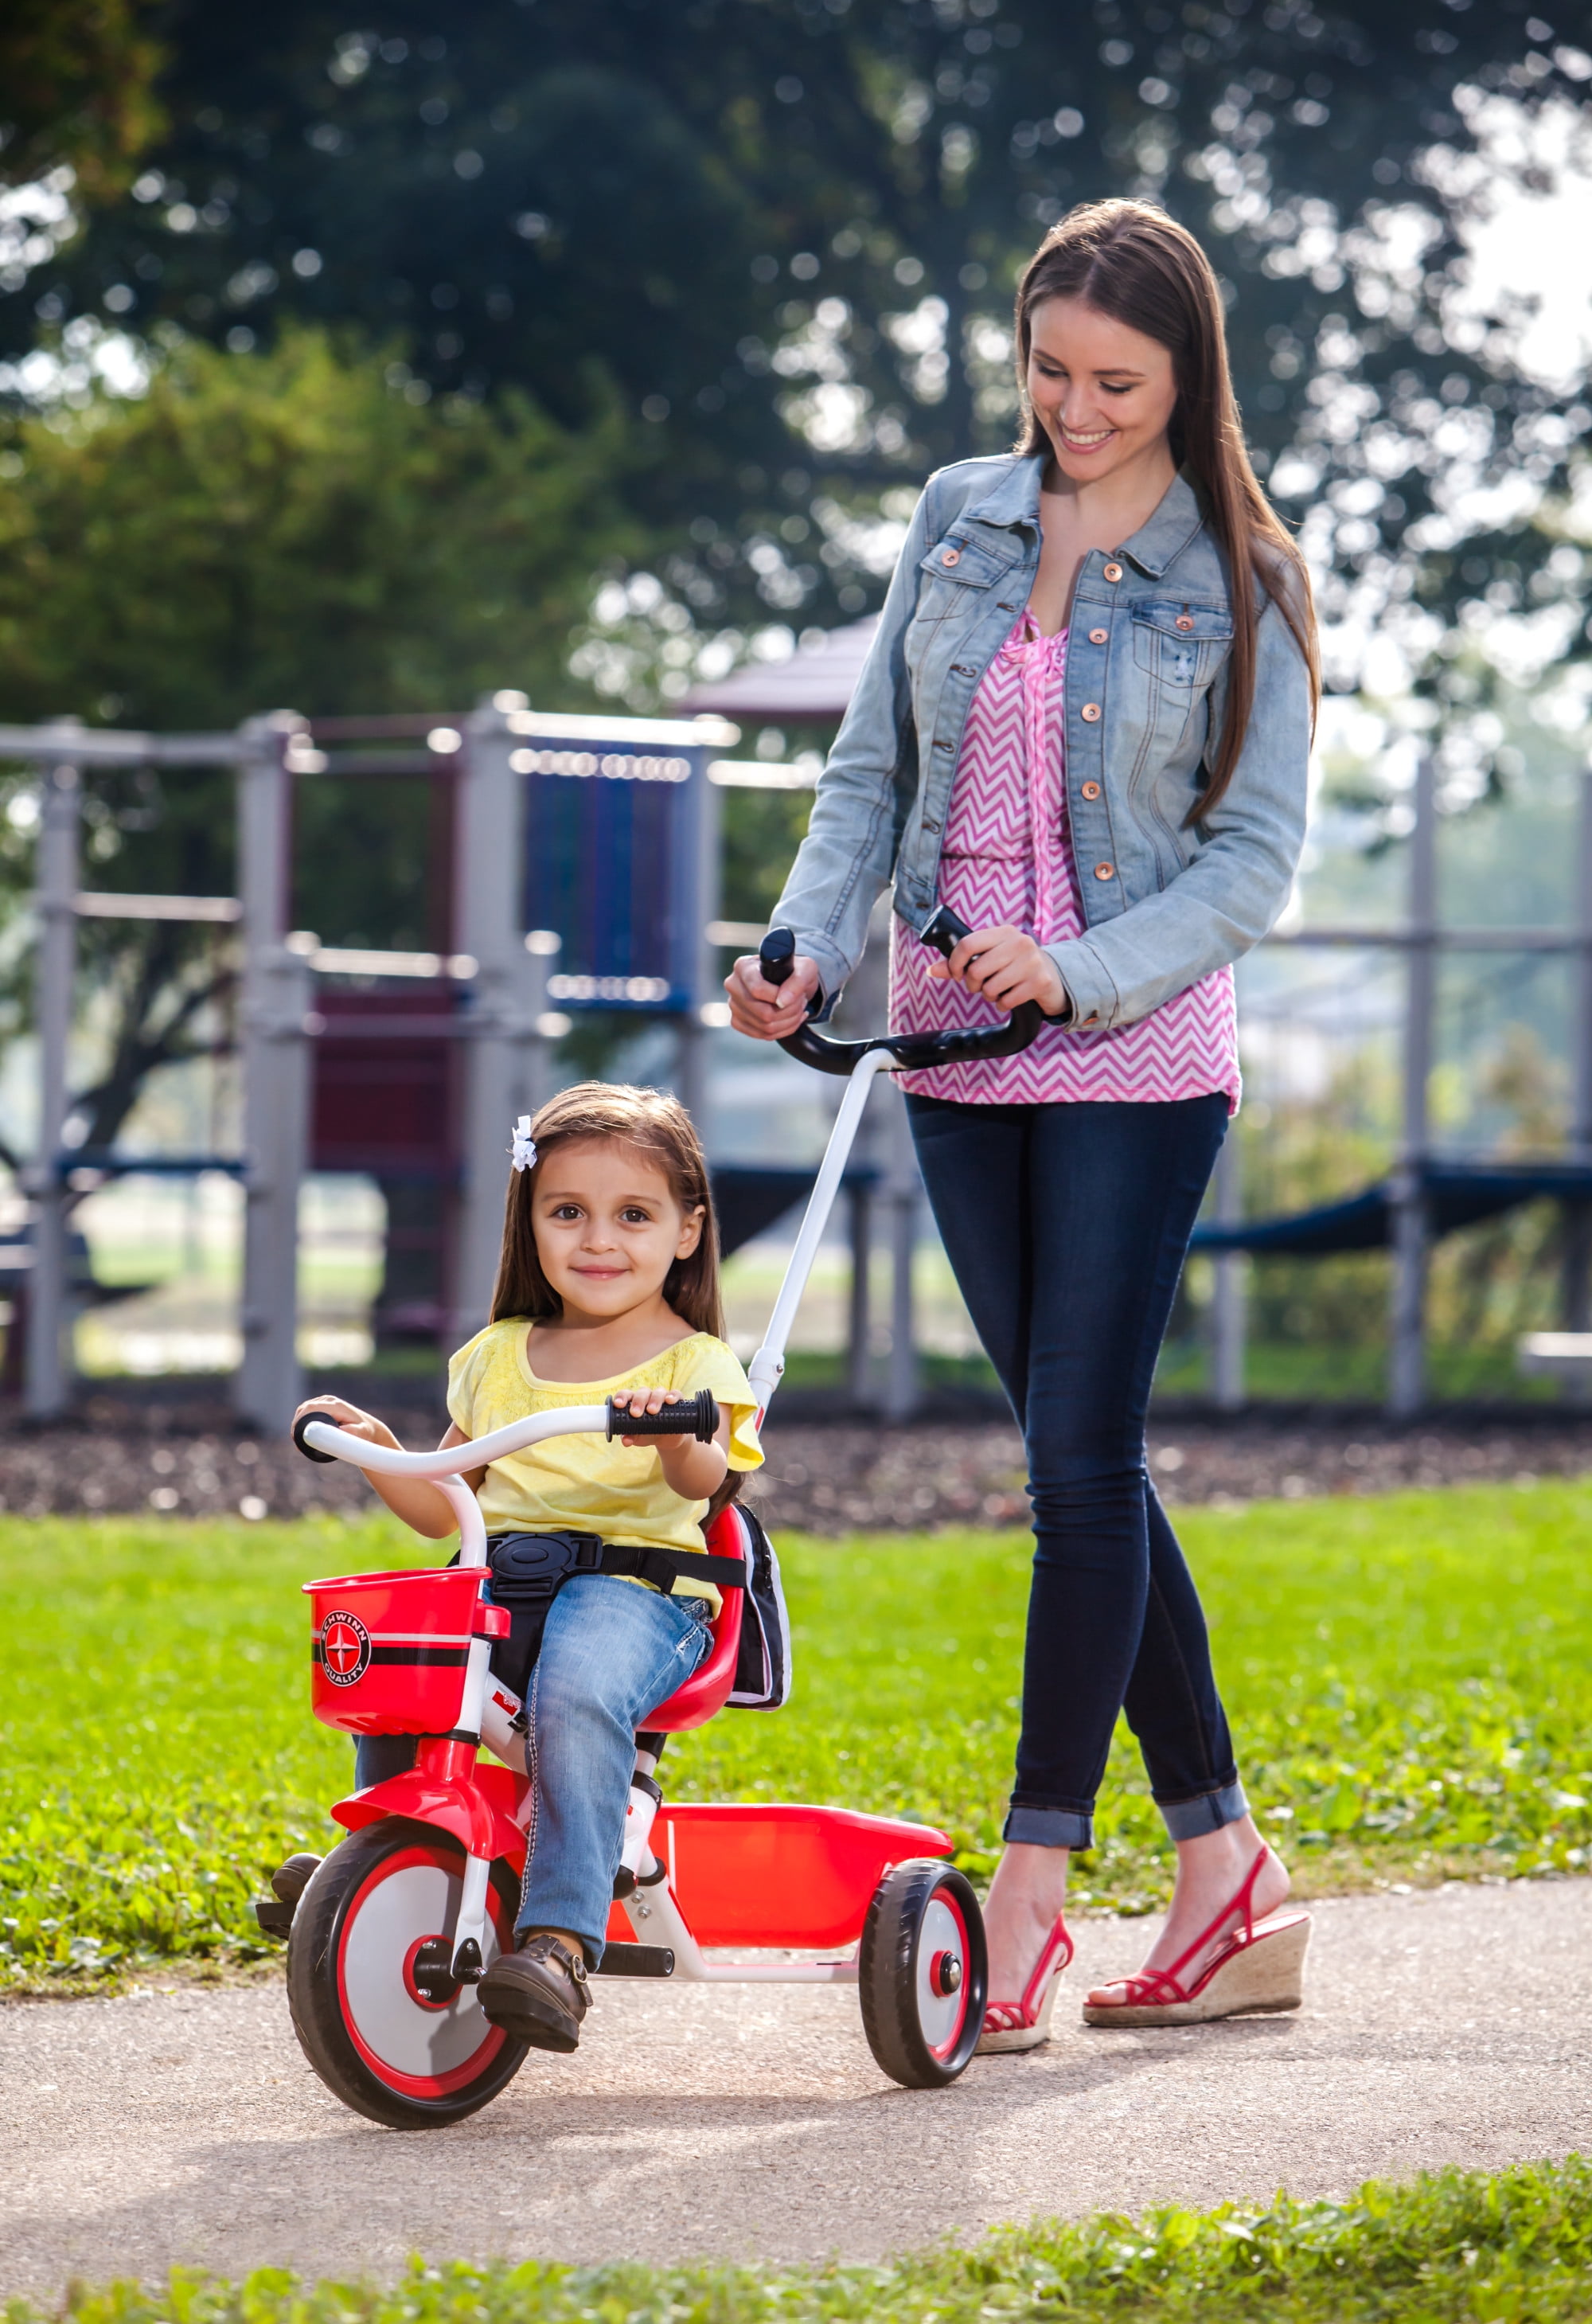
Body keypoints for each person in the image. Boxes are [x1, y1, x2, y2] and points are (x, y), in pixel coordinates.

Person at [726, 198, 1318, 2049]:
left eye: (1113, 382)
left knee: (1074, 1469)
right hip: (948, 1046)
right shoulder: (956, 514)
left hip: (1130, 1049)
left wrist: (1077, 964)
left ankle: (1032, 1899)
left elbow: (1249, 864)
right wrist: (804, 945)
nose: (1072, 410)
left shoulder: (1246, 580)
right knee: (1090, 1463)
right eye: (1048, 371)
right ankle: (1224, 1868)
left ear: (1184, 375)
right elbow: (867, 772)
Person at [291, 1082, 762, 2053]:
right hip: (504, 1582)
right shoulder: (500, 1355)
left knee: (579, 1678)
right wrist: (382, 1448)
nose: (599, 1240)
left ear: (685, 1232)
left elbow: (714, 1484)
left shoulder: (695, 1364)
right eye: (568, 1213)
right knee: (400, 1649)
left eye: (633, 1215)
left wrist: (671, 1442)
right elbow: (441, 1502)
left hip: (644, 1594)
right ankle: (395, 1852)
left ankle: (557, 1938)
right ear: (532, 1223)